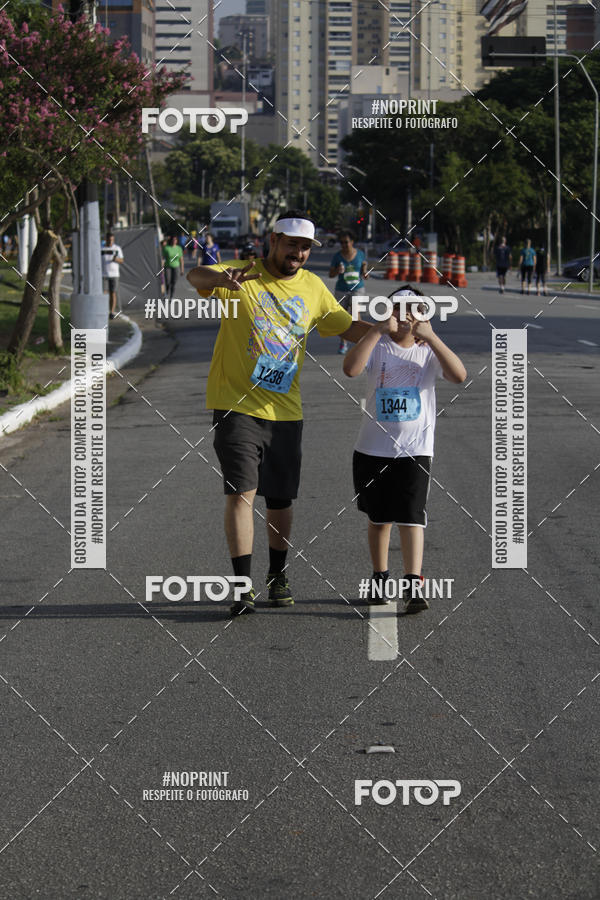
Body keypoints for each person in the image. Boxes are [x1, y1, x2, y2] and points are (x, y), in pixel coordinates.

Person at [187, 210, 371, 617]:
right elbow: (195, 277)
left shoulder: (313, 287)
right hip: (236, 405)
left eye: (305, 247)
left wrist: (391, 332)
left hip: (286, 411)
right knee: (241, 493)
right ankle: (241, 587)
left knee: (281, 501)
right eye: (292, 244)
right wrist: (221, 279)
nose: (298, 253)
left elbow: (344, 327)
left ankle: (277, 575)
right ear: (274, 240)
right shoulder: (242, 273)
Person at [343, 287, 466, 614]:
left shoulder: (428, 352)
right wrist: (376, 330)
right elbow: (351, 369)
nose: (406, 317)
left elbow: (459, 375)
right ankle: (380, 577)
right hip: (372, 449)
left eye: (415, 311)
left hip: (415, 452)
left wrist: (434, 338)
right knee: (379, 518)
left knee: (413, 519)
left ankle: (413, 584)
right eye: (399, 310)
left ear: (424, 316)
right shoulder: (378, 344)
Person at [329, 230, 368, 354]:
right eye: (341, 243)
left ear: (352, 242)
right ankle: (343, 342)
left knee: (356, 315)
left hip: (357, 288)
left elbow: (364, 270)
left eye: (346, 242)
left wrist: (365, 272)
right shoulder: (337, 256)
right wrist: (337, 271)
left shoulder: (360, 254)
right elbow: (330, 274)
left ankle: (361, 342)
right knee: (343, 318)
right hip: (342, 289)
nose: (344, 245)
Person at [101, 232, 124, 319]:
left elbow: (122, 260)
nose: (110, 241)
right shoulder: (101, 249)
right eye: (109, 240)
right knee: (104, 293)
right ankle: (104, 310)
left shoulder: (117, 248)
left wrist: (116, 259)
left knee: (113, 293)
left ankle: (112, 312)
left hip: (114, 274)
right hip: (104, 274)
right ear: (106, 239)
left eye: (112, 240)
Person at [162, 235, 184, 300]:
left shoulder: (179, 248)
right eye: (173, 240)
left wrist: (182, 269)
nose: (174, 241)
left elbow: (181, 259)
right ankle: (167, 291)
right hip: (167, 266)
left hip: (176, 266)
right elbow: (163, 258)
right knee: (168, 281)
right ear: (171, 240)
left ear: (177, 241)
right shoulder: (166, 248)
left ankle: (172, 296)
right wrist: (162, 268)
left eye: (175, 240)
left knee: (173, 282)